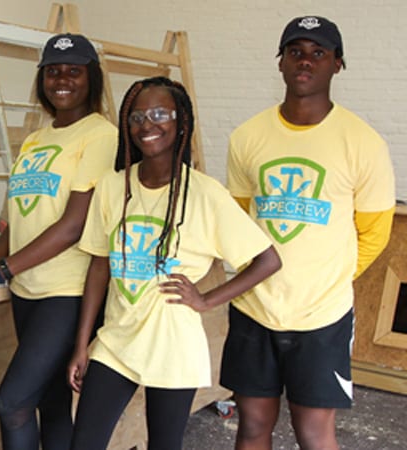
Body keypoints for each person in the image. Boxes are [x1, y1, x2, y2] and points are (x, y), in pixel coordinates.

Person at [65, 77, 281, 450]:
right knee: (84, 442)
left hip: (173, 345)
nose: (147, 124)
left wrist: (206, 299)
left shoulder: (205, 193)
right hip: (116, 340)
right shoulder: (113, 186)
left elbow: (267, 260)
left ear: (181, 121)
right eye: (136, 117)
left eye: (160, 114)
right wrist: (82, 344)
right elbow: (99, 266)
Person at [220, 16, 396, 450]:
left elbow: (375, 233)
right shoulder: (247, 137)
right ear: (280, 62)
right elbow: (239, 223)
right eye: (295, 51)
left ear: (338, 64)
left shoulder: (363, 142)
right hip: (254, 309)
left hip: (323, 316)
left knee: (314, 433)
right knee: (252, 426)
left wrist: (325, 279)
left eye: (319, 52)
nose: (305, 61)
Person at [0, 33, 117, 449]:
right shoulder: (35, 140)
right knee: (51, 402)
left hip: (67, 294)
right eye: (53, 71)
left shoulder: (101, 136)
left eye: (74, 71)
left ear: (92, 78)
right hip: (27, 291)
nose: (62, 80)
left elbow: (74, 224)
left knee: (12, 403)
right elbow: (16, 222)